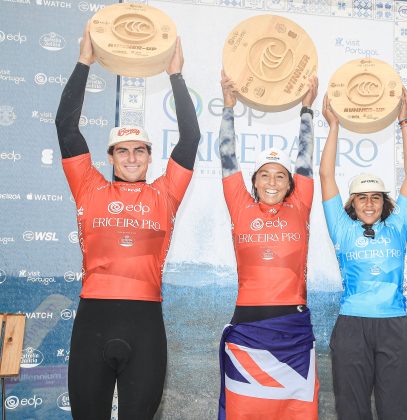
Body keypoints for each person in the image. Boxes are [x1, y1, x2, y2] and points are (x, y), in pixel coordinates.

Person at [55, 24, 200, 420]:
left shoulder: (165, 193)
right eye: (123, 151)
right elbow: (66, 127)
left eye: (140, 150)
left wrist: (176, 74)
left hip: (145, 325)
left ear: (151, 156)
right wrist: (84, 61)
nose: (132, 158)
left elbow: (190, 138)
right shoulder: (88, 187)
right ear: (111, 156)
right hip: (93, 322)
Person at [216, 71, 319, 419]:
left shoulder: (300, 204)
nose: (273, 182)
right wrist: (228, 107)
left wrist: (307, 109)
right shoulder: (240, 205)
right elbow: (227, 156)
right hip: (248, 329)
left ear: (291, 183)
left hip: (292, 331)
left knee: (296, 414)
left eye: (280, 175)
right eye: (265, 174)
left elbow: (305, 157)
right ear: (254, 181)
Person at [319, 88, 407, 420]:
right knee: (352, 410)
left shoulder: (399, 225)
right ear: (351, 204)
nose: (368, 203)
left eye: (375, 197)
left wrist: (404, 122)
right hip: (352, 326)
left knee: (399, 410)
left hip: (393, 325)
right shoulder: (342, 228)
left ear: (385, 203)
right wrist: (333, 125)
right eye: (361, 198)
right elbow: (326, 175)